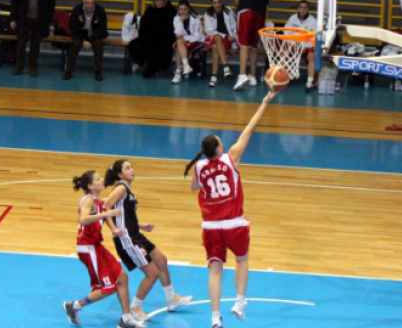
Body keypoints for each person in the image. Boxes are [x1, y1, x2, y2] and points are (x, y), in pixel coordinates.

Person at [184, 90, 277, 328]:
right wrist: (265, 102)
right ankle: (239, 302)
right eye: (220, 140)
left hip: (211, 226)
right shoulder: (230, 157)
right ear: (217, 148)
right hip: (234, 223)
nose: (223, 141)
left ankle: (215, 318)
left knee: (215, 271)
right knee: (242, 261)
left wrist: (204, 173)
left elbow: (194, 188)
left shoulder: (199, 167)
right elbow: (249, 130)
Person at [103, 160, 192, 322]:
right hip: (127, 239)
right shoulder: (121, 188)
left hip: (136, 234)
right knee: (152, 273)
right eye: (127, 168)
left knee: (162, 260)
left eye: (132, 167)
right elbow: (105, 208)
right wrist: (114, 230)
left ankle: (171, 299)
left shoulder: (128, 189)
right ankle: (134, 308)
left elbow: (125, 217)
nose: (132, 170)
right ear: (119, 174)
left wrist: (141, 225)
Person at [63, 171, 146, 328]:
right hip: (88, 249)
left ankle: (126, 318)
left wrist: (116, 229)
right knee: (108, 288)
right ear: (90, 186)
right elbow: (84, 219)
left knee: (122, 277)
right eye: (98, 179)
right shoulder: (88, 200)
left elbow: (106, 215)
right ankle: (74, 306)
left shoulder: (98, 201)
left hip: (97, 246)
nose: (102, 180)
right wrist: (108, 212)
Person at [10, 0, 55, 77]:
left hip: (39, 20)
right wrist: (13, 19)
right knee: (21, 44)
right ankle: (19, 66)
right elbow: (15, 2)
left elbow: (52, 4)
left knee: (35, 45)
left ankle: (32, 67)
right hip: (24, 19)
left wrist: (48, 19)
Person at [234, 0, 269, 91]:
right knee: (253, 47)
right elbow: (265, 7)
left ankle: (242, 74)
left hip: (246, 12)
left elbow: (237, 0)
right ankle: (253, 76)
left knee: (244, 45)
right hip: (260, 16)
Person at [64, 0, 108, 82]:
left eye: (92, 3)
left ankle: (97, 71)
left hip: (95, 34)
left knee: (98, 44)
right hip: (80, 34)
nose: (90, 5)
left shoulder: (100, 11)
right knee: (76, 44)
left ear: (94, 3)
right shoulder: (77, 10)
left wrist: (89, 40)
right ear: (83, 2)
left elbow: (102, 29)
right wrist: (84, 40)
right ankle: (68, 70)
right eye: (87, 3)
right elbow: (73, 27)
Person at [139, 0, 176, 78]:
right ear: (154, 1)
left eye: (161, 0)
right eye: (157, 0)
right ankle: (152, 66)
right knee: (146, 44)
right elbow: (143, 25)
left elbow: (174, 26)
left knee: (162, 45)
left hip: (166, 37)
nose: (159, 2)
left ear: (164, 0)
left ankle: (160, 66)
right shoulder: (150, 10)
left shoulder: (171, 10)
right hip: (151, 38)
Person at [204, 0, 237, 88]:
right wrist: (223, 35)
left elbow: (235, 29)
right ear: (211, 4)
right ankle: (226, 66)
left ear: (222, 2)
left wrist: (234, 43)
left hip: (225, 41)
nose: (217, 5)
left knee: (215, 47)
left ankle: (213, 78)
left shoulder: (228, 11)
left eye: (219, 2)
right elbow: (209, 32)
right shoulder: (208, 13)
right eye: (214, 3)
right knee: (217, 37)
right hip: (212, 38)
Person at [285, 0, 318, 92]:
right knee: (284, 54)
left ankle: (309, 82)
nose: (303, 9)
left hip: (307, 46)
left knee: (311, 56)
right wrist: (293, 45)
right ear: (298, 9)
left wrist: (304, 47)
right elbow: (286, 33)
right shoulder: (292, 18)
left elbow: (313, 37)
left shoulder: (313, 21)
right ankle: (284, 78)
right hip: (294, 45)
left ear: (308, 9)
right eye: (301, 7)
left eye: (305, 7)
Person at [171, 0, 204, 84]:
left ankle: (178, 73)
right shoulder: (176, 18)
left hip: (197, 42)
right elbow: (178, 34)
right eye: (180, 9)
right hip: (184, 42)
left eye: (185, 9)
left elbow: (197, 36)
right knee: (179, 43)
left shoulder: (196, 18)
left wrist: (184, 39)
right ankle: (185, 66)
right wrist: (181, 22)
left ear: (189, 9)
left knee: (179, 43)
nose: (182, 12)